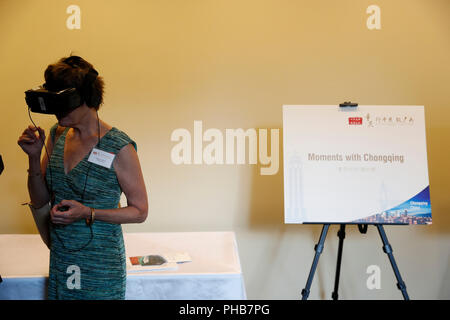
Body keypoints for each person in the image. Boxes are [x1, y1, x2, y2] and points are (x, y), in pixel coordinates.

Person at [17, 55, 148, 299]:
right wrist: (34, 157)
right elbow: (41, 198)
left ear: (85, 98)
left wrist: (88, 212)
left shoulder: (119, 147)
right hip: (62, 256)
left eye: (62, 103)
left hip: (101, 265)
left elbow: (140, 211)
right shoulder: (58, 134)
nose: (56, 112)